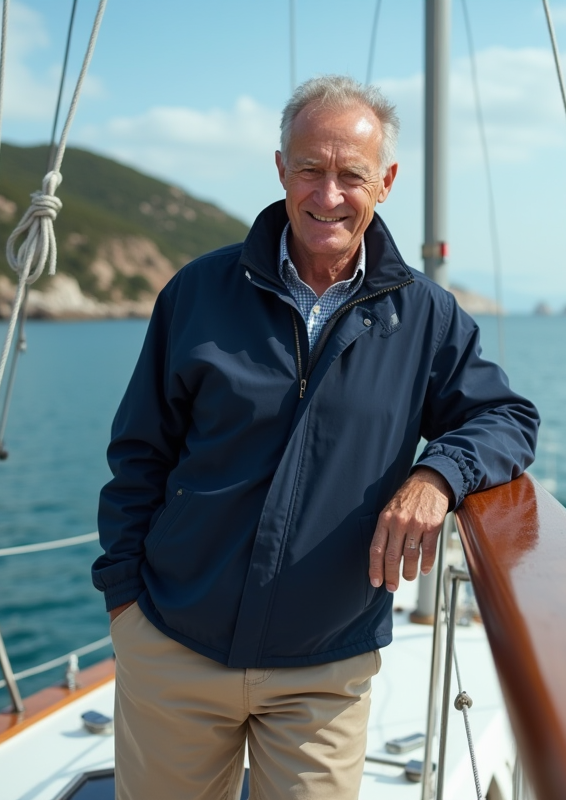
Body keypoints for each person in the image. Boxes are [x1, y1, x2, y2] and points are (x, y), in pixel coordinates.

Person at [92, 75, 538, 800]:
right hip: (173, 645)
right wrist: (125, 604)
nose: (328, 195)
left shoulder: (425, 316)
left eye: (351, 175)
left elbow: (507, 418)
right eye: (309, 169)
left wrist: (437, 477)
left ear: (386, 182)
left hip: (324, 669)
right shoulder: (197, 293)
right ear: (280, 169)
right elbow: (139, 454)